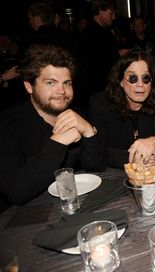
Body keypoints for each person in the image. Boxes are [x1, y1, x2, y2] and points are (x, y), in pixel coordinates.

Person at [0, 44, 107, 212]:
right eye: (51, 83)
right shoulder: (8, 124)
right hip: (25, 221)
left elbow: (98, 167)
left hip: (79, 207)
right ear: (29, 86)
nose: (62, 91)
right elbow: (16, 192)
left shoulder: (76, 115)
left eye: (67, 83)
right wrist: (58, 142)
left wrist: (88, 131)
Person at [89, 50, 155, 169]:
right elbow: (98, 153)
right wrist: (136, 157)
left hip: (150, 173)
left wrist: (154, 141)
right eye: (133, 78)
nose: (140, 84)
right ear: (121, 81)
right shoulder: (101, 104)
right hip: (113, 173)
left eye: (146, 78)